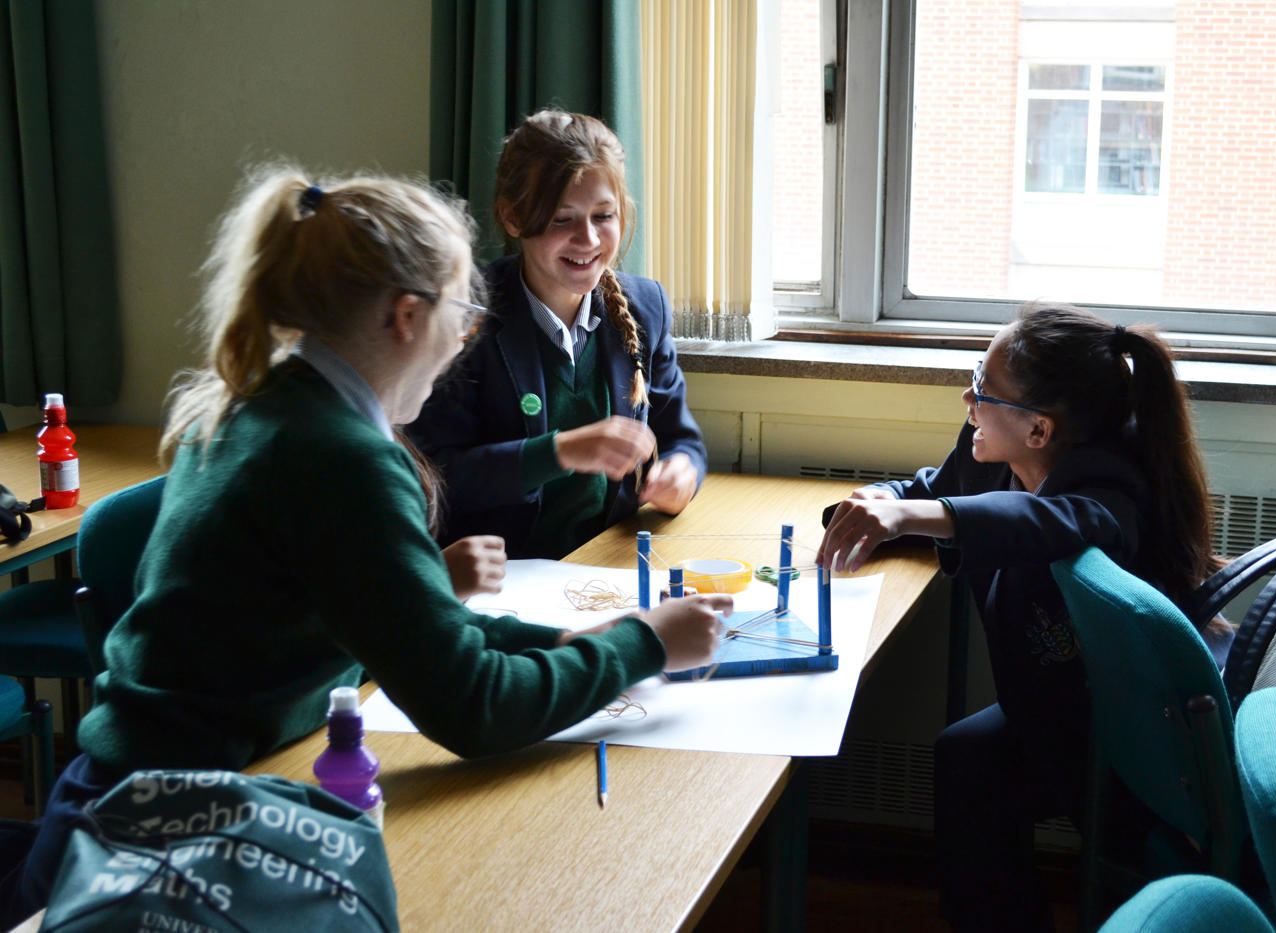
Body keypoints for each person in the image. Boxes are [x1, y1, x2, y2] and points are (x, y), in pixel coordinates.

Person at [0, 165, 731, 926]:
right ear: (407, 317)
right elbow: (473, 706)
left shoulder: (267, 400)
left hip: (137, 793)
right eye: (462, 313)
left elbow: (402, 620)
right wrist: (643, 644)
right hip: (165, 842)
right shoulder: (343, 457)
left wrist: (564, 641)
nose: (466, 338)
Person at [817, 302, 1219, 933]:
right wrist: (882, 501)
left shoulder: (1113, 488)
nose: (968, 400)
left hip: (1130, 731)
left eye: (983, 389)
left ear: (1038, 430)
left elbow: (1050, 522)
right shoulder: (994, 456)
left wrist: (914, 516)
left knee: (1112, 848)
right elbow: (933, 491)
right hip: (1051, 711)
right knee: (966, 761)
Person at [407, 109, 706, 559]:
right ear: (512, 218)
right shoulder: (465, 318)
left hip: (607, 563)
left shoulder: (646, 307)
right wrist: (558, 452)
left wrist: (682, 472)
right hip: (504, 573)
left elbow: (681, 437)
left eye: (603, 215)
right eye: (561, 220)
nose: (588, 239)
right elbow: (434, 476)